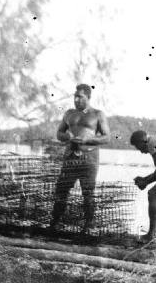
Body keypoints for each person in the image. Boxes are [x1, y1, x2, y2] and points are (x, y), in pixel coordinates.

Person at [47, 84, 110, 237]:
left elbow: (107, 137)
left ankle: (88, 226)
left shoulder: (98, 114)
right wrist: (66, 137)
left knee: (88, 193)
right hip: (70, 157)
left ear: (88, 97)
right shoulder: (69, 114)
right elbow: (59, 133)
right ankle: (54, 223)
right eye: (75, 97)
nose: (76, 100)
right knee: (61, 190)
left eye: (80, 97)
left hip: (89, 159)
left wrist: (89, 139)